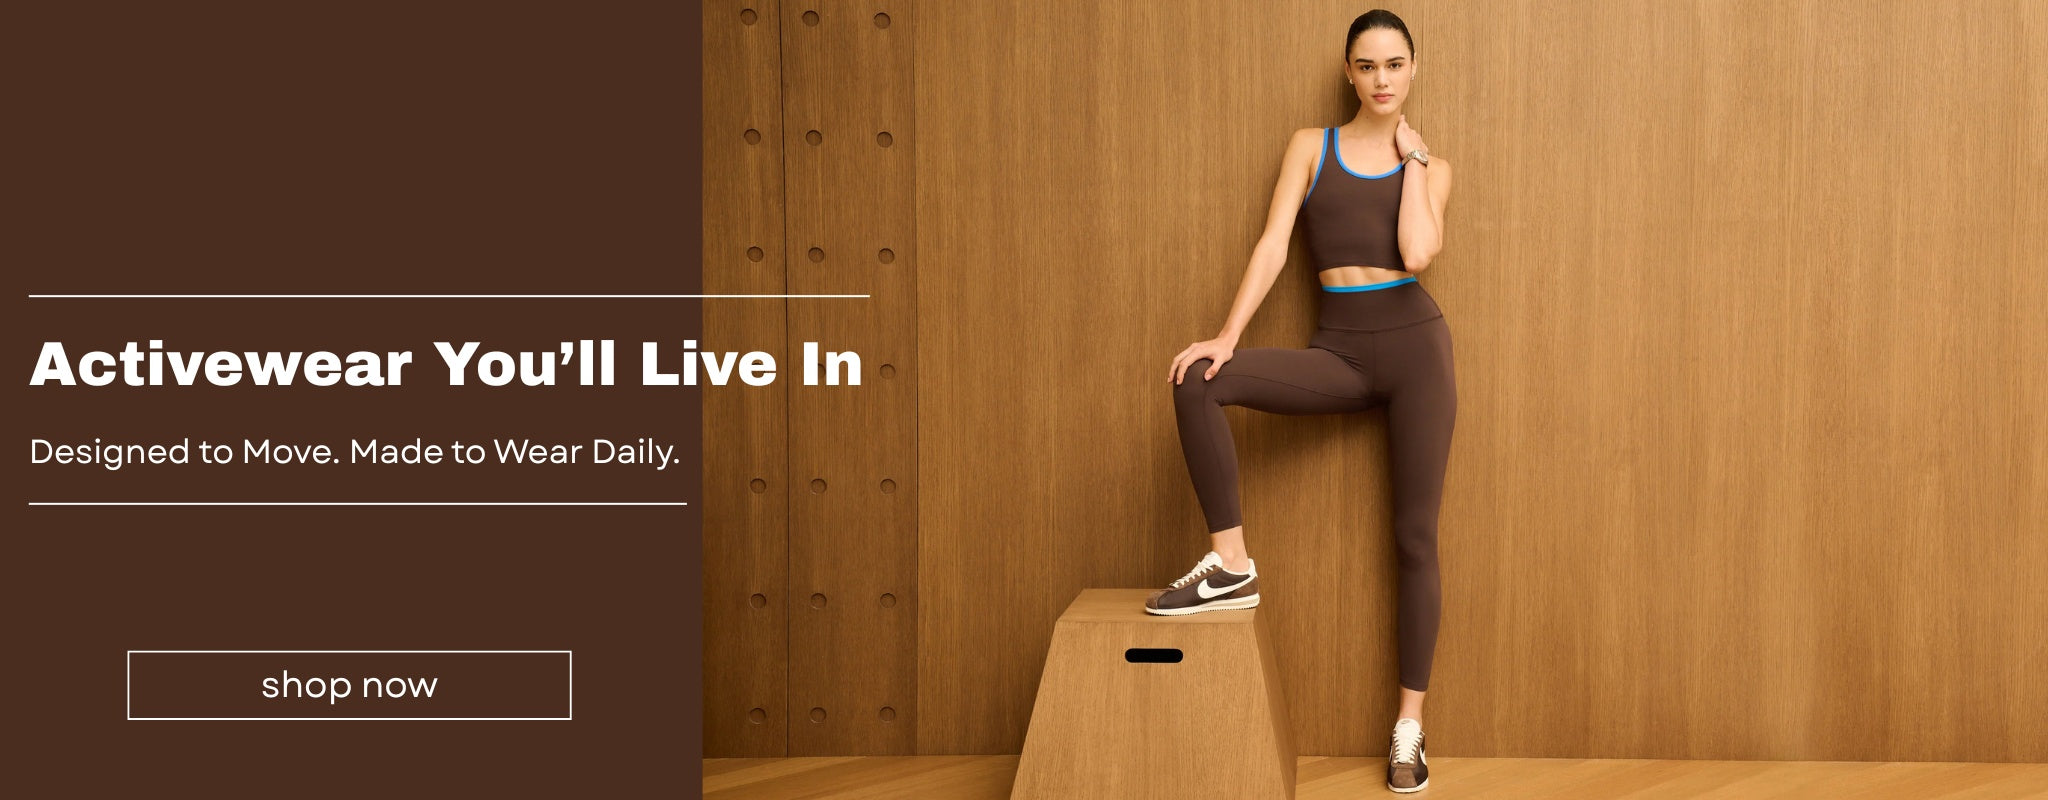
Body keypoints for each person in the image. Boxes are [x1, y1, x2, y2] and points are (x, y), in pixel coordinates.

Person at [1143, 9, 1452, 794]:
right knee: (1196, 381)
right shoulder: (1310, 147)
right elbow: (1274, 244)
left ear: (1414, 70)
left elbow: (1418, 252)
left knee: (1414, 539)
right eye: (1367, 65)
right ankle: (1233, 564)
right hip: (1340, 354)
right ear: (1349, 73)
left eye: (1394, 65)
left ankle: (1408, 730)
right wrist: (1227, 335)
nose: (1382, 79)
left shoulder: (1433, 164)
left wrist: (1414, 160)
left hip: (1417, 352)